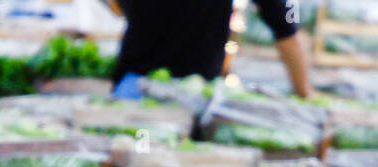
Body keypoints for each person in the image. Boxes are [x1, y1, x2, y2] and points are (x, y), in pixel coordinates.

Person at [110, 0, 314, 99]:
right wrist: (305, 93)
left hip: (134, 86)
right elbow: (285, 27)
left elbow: (117, 5)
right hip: (196, 95)